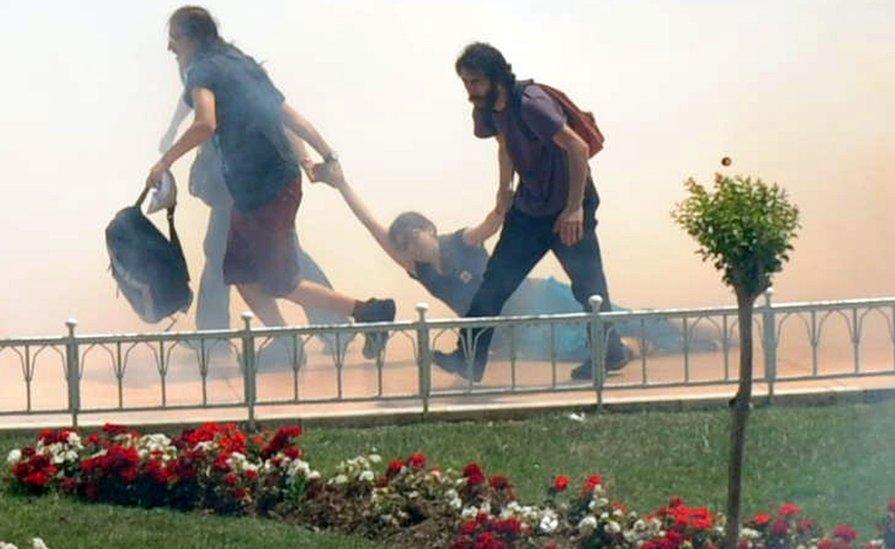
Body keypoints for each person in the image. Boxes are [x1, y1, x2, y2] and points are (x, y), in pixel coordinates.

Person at [146, 6, 394, 360]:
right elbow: (285, 113)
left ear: (189, 38)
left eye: (173, 40)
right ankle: (287, 341)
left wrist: (164, 161)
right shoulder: (239, 62)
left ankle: (370, 312)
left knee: (281, 281)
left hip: (266, 188)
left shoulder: (203, 69)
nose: (171, 49)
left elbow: (205, 123)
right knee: (239, 271)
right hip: (260, 185)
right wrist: (326, 153)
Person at [431, 42, 631, 382]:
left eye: (475, 81)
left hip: (568, 207)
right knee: (494, 282)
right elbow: (505, 144)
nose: (470, 90)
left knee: (589, 287)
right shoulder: (492, 109)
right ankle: (468, 359)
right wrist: (504, 188)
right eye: (465, 82)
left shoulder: (531, 103)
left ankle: (609, 354)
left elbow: (577, 148)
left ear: (495, 77)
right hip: (530, 209)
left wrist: (573, 209)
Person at [323, 178, 692, 361]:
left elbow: (488, 226)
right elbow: (373, 227)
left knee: (615, 317)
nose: (410, 244)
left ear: (429, 229)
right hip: (515, 333)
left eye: (413, 234)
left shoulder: (461, 241)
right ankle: (633, 351)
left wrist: (502, 207)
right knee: (579, 347)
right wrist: (340, 184)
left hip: (543, 296)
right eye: (402, 242)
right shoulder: (421, 271)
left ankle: (695, 334)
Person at [159, 86, 351, 358]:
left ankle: (218, 336)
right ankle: (333, 327)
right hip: (236, 184)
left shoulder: (239, 82)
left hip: (259, 185)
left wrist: (306, 160)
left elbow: (286, 123)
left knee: (259, 253)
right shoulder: (212, 79)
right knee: (220, 251)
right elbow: (188, 99)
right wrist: (172, 128)